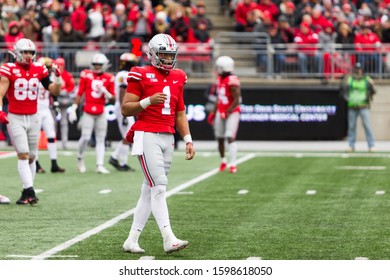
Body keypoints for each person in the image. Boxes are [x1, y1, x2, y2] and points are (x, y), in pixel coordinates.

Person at [121, 33, 195, 254]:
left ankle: (131, 240)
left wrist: (188, 139)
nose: (166, 58)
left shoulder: (178, 76)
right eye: (162, 54)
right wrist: (148, 101)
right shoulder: (140, 73)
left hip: (167, 135)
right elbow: (126, 108)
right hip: (146, 134)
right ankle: (168, 238)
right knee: (159, 186)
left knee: (149, 189)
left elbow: (180, 112)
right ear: (152, 54)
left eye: (170, 54)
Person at [0, 38, 62, 205]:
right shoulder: (9, 69)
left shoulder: (39, 69)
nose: (28, 55)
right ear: (17, 52)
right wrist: (0, 111)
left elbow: (54, 90)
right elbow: (1, 93)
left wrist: (57, 78)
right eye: (25, 52)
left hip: (33, 117)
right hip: (16, 117)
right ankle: (30, 191)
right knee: (23, 154)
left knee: (32, 157)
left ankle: (27, 191)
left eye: (31, 52)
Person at [68, 53, 115, 174]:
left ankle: (99, 164)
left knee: (101, 139)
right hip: (88, 110)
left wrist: (107, 93)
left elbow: (113, 99)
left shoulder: (109, 77)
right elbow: (80, 93)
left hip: (101, 110)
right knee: (86, 137)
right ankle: (79, 157)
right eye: (95, 64)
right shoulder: (86, 75)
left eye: (99, 65)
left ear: (104, 65)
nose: (97, 67)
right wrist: (73, 108)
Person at [207, 56, 241, 173]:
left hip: (231, 112)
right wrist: (213, 112)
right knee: (220, 138)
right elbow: (219, 98)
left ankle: (233, 163)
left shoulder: (232, 80)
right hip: (221, 111)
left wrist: (228, 111)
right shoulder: (220, 79)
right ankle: (223, 161)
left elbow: (237, 100)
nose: (217, 69)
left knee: (230, 137)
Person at [35, 57, 65, 174]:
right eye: (45, 67)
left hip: (46, 108)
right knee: (35, 138)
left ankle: (54, 163)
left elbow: (55, 90)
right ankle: (36, 164)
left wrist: (56, 102)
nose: (46, 70)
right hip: (35, 109)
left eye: (47, 67)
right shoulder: (34, 77)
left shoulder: (50, 77)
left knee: (52, 135)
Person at [109, 53, 139, 172]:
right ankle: (119, 160)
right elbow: (122, 92)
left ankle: (117, 159)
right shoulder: (124, 75)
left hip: (124, 106)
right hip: (124, 107)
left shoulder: (122, 74)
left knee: (128, 135)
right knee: (128, 135)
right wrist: (125, 111)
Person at [341, 62, 376, 152]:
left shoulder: (366, 79)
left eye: (359, 69)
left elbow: (373, 90)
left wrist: (369, 94)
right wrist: (347, 98)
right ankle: (351, 145)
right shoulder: (350, 79)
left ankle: (371, 145)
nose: (358, 71)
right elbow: (343, 89)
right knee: (351, 126)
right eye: (356, 69)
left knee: (367, 126)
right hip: (352, 105)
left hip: (364, 105)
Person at [55, 57, 75, 150]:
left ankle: (64, 142)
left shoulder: (67, 75)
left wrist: (65, 91)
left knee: (64, 122)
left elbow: (71, 87)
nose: (60, 67)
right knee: (52, 122)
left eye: (61, 65)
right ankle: (52, 141)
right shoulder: (52, 74)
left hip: (63, 100)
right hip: (54, 99)